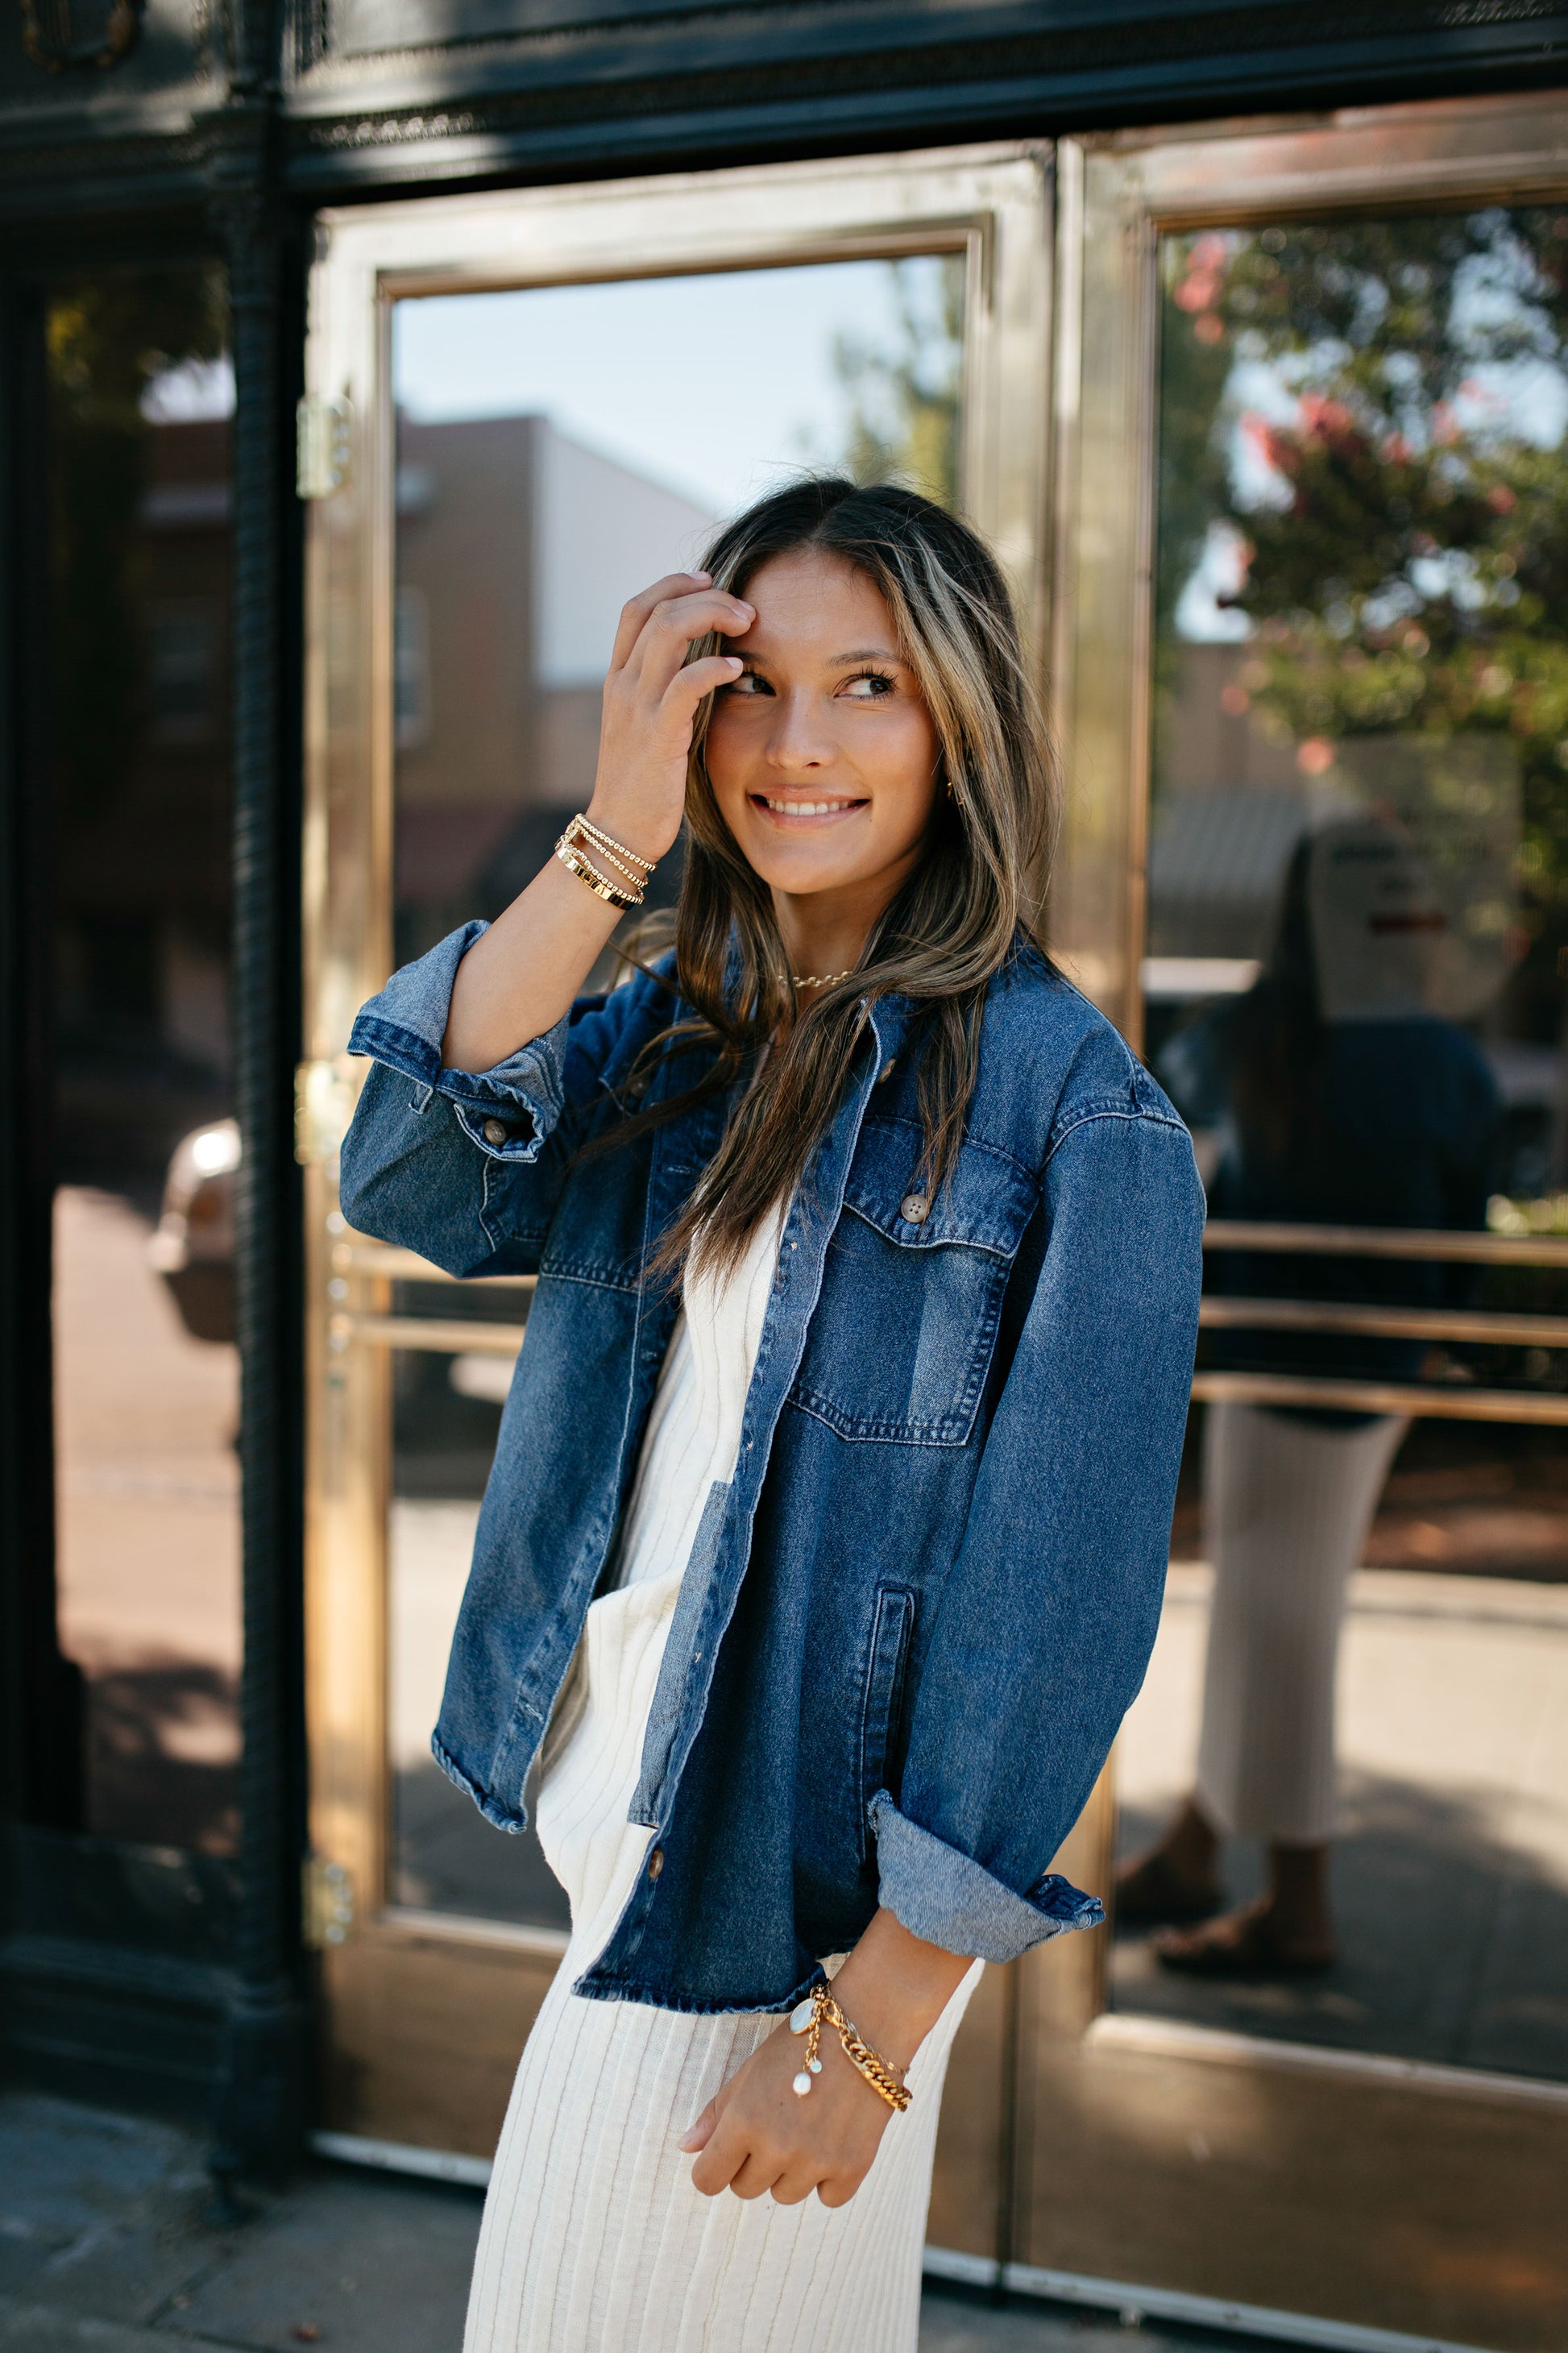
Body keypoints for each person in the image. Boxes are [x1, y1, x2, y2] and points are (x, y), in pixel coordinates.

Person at [339, 478, 1204, 2353]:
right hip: (630, 1864)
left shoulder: (1078, 1117)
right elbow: (404, 1173)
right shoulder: (679, 1032)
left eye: (869, 685)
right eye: (754, 684)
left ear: (959, 723)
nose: (798, 745)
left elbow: (1052, 1614)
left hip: (766, 1933)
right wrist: (608, 838)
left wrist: (871, 2027)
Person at [1119, 823, 1503, 1974]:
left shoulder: (1248, 1036)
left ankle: (1299, 1904)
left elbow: (1165, 1172)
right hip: (1371, 1376)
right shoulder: (1443, 1059)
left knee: (1278, 1625)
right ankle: (1197, 1849)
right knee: (1270, 1613)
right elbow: (1463, 1236)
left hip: (1264, 1367)